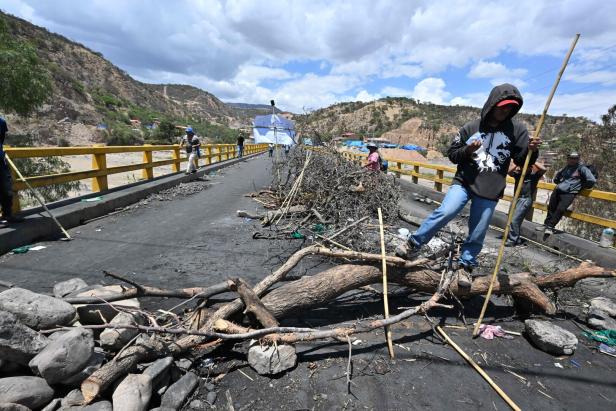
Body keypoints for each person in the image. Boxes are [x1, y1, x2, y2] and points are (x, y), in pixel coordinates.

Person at [396, 84, 540, 288]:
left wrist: (532, 151)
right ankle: (413, 244)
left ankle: (465, 266)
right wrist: (467, 149)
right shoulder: (471, 128)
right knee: (446, 211)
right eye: (502, 106)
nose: (505, 110)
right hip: (464, 182)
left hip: (490, 189)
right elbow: (453, 155)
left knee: (478, 230)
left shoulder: (517, 130)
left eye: (511, 108)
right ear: (492, 104)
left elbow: (521, 158)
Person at [537, 152, 596, 235]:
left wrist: (581, 187)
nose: (573, 160)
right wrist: (557, 180)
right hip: (557, 190)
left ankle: (550, 227)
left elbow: (592, 180)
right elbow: (558, 177)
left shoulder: (582, 168)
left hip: (569, 193)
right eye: (571, 158)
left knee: (560, 209)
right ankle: (546, 224)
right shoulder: (567, 167)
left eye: (575, 158)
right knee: (551, 208)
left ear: (578, 159)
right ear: (568, 159)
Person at [506, 162, 546, 247]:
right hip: (516, 198)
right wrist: (517, 163)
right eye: (521, 167)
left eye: (524, 167)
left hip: (525, 199)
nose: (521, 168)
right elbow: (509, 172)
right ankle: (516, 238)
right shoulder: (518, 175)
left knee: (515, 220)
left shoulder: (534, 176)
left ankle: (512, 240)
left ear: (530, 167)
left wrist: (533, 160)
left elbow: (543, 169)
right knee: (510, 218)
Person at [0, 117, 22, 225]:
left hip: (0, 161)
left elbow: (1, 140)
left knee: (6, 189)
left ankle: (8, 215)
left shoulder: (1, 122)